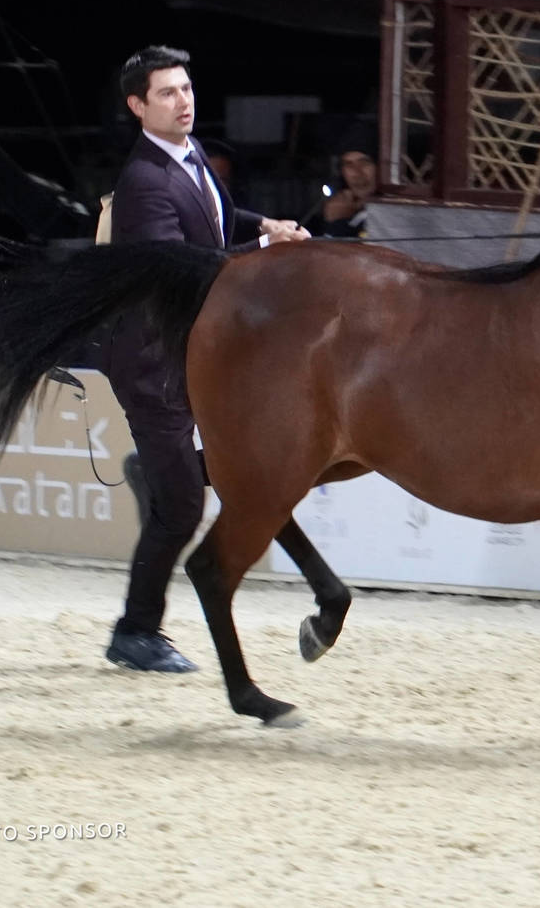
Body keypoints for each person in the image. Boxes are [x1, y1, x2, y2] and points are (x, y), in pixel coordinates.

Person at [104, 44, 309, 673]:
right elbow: (183, 268)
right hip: (155, 362)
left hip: (199, 351)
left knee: (224, 463)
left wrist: (264, 224)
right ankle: (135, 633)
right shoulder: (142, 182)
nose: (183, 101)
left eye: (186, 89)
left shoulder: (188, 155)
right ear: (138, 106)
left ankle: (159, 474)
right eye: (167, 93)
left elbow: (214, 220)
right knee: (183, 511)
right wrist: (262, 251)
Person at [310, 120, 377, 238]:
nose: (357, 172)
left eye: (364, 162)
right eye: (349, 164)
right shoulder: (341, 206)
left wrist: (338, 222)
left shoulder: (393, 213)